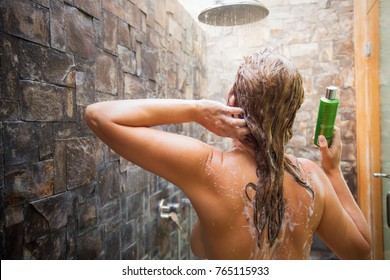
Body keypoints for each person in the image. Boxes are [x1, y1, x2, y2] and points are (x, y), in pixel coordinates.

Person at [85, 48, 371, 259]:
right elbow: (362, 252)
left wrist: (197, 111)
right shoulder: (314, 178)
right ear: (291, 115)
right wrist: (332, 171)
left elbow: (99, 116)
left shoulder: (209, 167)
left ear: (231, 103)